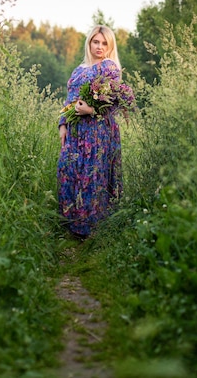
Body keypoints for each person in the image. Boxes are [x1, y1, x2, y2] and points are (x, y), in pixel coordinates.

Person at [57, 25, 127, 240]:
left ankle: (92, 229)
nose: (100, 46)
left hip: (98, 130)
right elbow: (69, 100)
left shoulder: (110, 68)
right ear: (89, 43)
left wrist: (91, 109)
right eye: (96, 42)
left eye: (104, 43)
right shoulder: (79, 69)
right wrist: (62, 125)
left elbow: (115, 102)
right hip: (76, 131)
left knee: (92, 175)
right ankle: (72, 224)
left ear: (110, 46)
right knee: (67, 169)